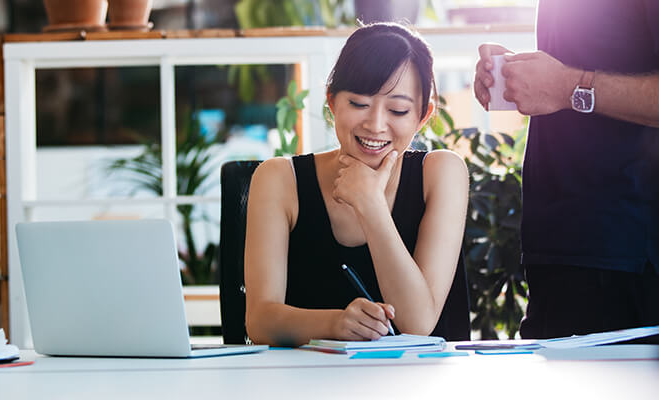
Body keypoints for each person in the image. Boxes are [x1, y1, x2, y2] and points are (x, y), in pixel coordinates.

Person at [243, 23, 469, 346]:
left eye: (398, 109)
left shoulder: (442, 172)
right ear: (332, 103)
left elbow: (417, 322)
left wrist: (370, 203)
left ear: (423, 115)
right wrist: (337, 323)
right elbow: (260, 320)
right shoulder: (279, 179)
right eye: (358, 104)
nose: (375, 125)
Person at [473, 0, 659, 341]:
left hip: (626, 255)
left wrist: (567, 85)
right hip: (557, 245)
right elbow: (587, 68)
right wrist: (518, 75)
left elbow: (570, 84)